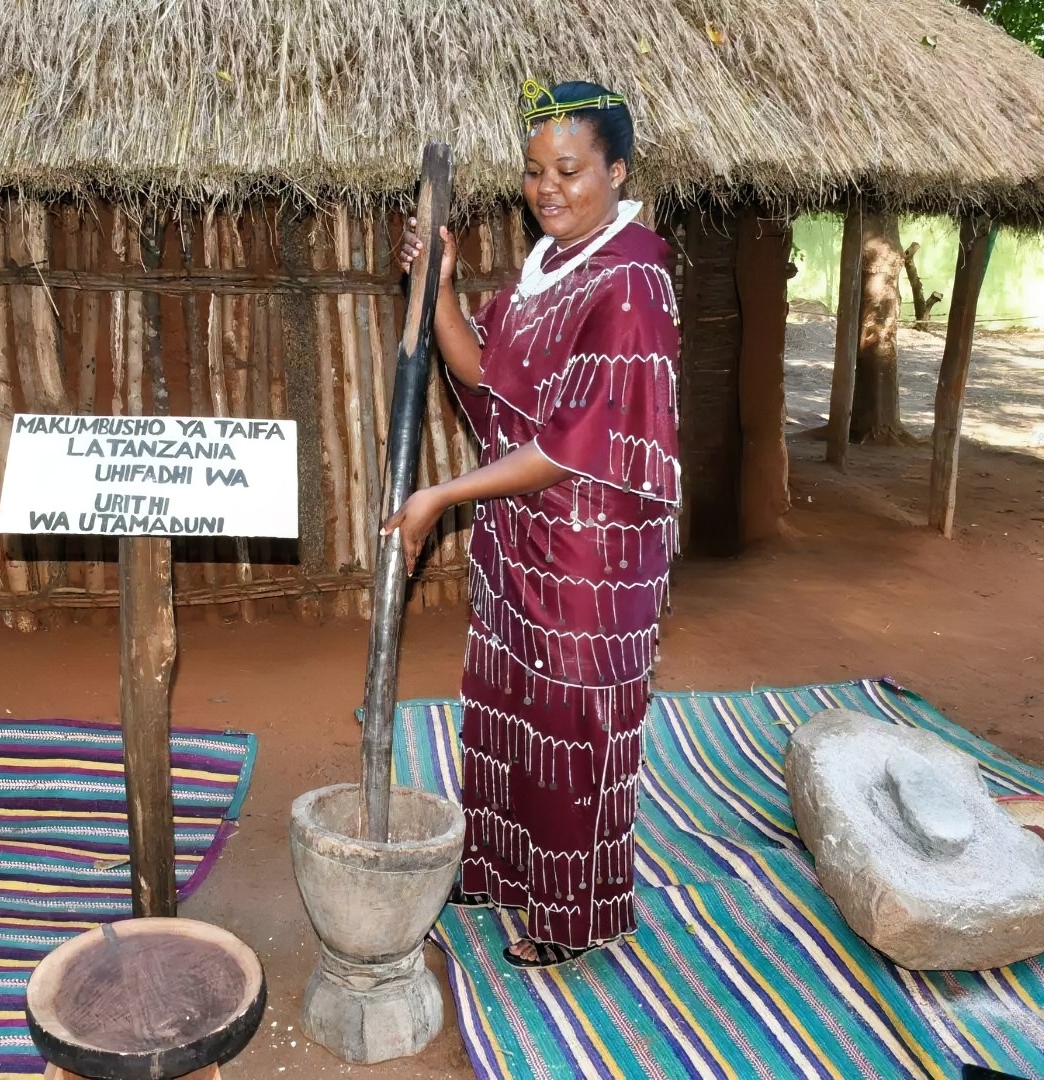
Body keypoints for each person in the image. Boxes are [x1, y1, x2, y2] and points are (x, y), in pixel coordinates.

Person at [386, 79, 680, 969]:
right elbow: (486, 375)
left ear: (617, 170)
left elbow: (576, 443)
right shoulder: (549, 271)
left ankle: (571, 912)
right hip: (523, 540)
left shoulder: (630, 280)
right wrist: (436, 289)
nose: (547, 187)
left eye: (569, 169)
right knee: (507, 705)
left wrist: (441, 496)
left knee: (572, 723)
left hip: (592, 552)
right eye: (532, 171)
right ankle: (503, 866)